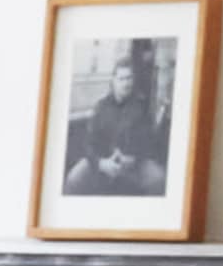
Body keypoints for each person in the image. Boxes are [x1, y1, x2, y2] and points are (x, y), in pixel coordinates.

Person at [62, 40, 172, 195]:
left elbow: (148, 141)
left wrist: (133, 159)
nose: (126, 83)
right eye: (121, 79)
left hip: (133, 165)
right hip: (103, 162)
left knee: (159, 180)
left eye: (129, 78)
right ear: (113, 81)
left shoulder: (141, 108)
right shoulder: (101, 107)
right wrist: (101, 163)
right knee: (74, 179)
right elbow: (88, 143)